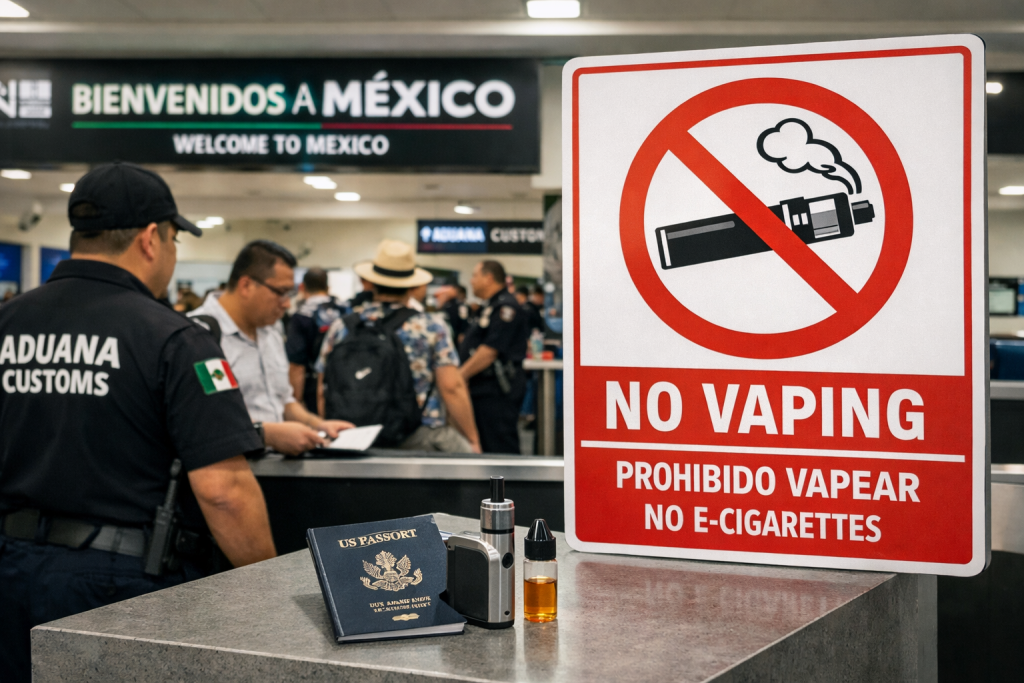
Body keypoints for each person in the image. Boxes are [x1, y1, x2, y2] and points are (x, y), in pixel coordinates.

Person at [0, 162, 277, 682]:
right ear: (152, 239)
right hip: (118, 588)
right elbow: (224, 491)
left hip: (11, 571)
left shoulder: (8, 322)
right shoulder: (177, 339)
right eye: (174, 239)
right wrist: (271, 598)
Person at [317, 239, 481, 453]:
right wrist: (472, 439)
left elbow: (323, 387)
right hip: (418, 435)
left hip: (353, 435)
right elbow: (452, 387)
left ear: (371, 282)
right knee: (468, 466)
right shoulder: (431, 327)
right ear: (413, 286)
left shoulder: (343, 326)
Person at [191, 241, 352, 456]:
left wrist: (318, 425)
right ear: (246, 285)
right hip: (231, 469)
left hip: (275, 468)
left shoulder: (271, 331)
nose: (286, 304)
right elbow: (213, 414)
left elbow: (283, 400)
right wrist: (268, 434)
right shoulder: (200, 335)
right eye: (281, 292)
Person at [459, 260, 531, 454]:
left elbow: (490, 351)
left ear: (488, 278)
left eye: (475, 276)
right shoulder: (489, 306)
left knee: (499, 445)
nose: (471, 281)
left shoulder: (505, 307)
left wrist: (459, 376)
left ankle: (508, 484)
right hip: (484, 388)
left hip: (497, 388)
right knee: (487, 442)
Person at [286, 267, 347, 414]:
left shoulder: (301, 315)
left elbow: (297, 365)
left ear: (302, 287)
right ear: (327, 287)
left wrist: (296, 402)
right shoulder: (346, 309)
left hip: (313, 386)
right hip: (347, 381)